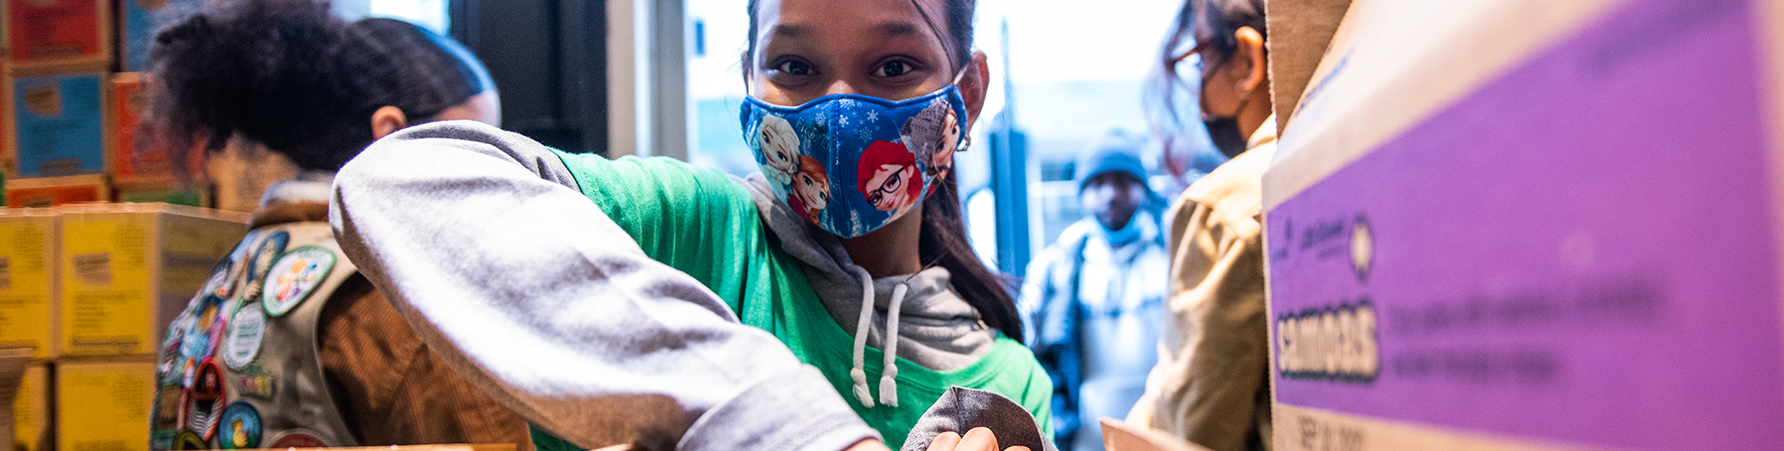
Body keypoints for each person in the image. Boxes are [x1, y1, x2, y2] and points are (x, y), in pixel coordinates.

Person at [326, 0, 1053, 450]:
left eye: (894, 65)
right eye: (795, 65)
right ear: (748, 77)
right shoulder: (692, 229)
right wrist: (776, 424)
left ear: (971, 91)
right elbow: (396, 179)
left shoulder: (1008, 383)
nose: (838, 109)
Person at [142, 1, 524, 448]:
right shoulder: (398, 299)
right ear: (389, 135)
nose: (492, 179)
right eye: (471, 149)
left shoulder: (225, 282)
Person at [1128, 0, 1279, 450]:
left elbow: (1194, 428)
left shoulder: (1222, 206)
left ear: (1249, 61)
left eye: (1200, 59)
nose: (1197, 92)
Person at [1021, 135, 1168, 451]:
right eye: (1098, 183)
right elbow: (1037, 352)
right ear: (1081, 194)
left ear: (1142, 188)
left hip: (1166, 426)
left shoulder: (1173, 252)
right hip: (1087, 434)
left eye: (1122, 181)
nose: (1111, 193)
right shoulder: (1056, 266)